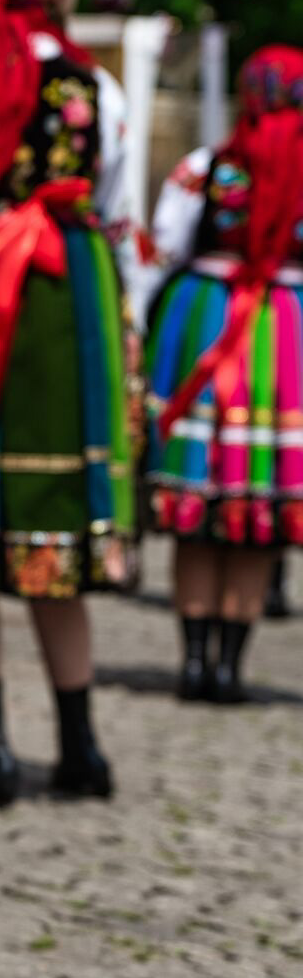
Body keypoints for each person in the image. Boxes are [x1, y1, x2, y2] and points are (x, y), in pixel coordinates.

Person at [0, 0, 143, 806]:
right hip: (77, 290)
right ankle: (82, 748)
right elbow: (121, 210)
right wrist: (124, 326)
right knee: (58, 513)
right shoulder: (100, 85)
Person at [146, 46, 303, 705]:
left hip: (208, 320)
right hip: (287, 333)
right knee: (257, 507)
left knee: (199, 504)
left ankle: (193, 662)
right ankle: (231, 668)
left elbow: (162, 245)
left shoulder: (205, 169)